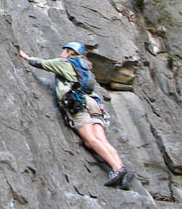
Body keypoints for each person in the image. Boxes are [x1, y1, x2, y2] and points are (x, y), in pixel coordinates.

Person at [18, 42, 134, 188]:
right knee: (102, 140)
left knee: (90, 140)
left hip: (79, 103)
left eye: (64, 50)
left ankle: (117, 170)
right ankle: (120, 167)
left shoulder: (64, 63)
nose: (62, 52)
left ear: (69, 52)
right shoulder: (85, 66)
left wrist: (25, 57)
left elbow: (41, 63)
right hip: (94, 103)